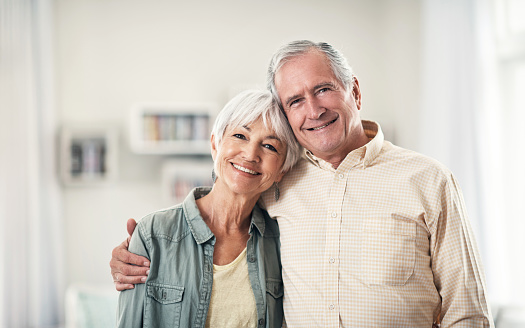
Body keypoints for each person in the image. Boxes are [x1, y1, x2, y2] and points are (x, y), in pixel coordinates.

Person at [111, 40, 494, 327]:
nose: (313, 110)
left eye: (323, 89)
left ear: (355, 92)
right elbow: (218, 211)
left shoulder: (428, 180)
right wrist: (133, 251)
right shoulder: (278, 184)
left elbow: (467, 312)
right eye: (295, 100)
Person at [116, 89, 301, 327]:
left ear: (282, 170)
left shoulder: (281, 240)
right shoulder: (153, 234)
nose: (250, 154)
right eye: (240, 136)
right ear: (215, 144)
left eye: (269, 146)